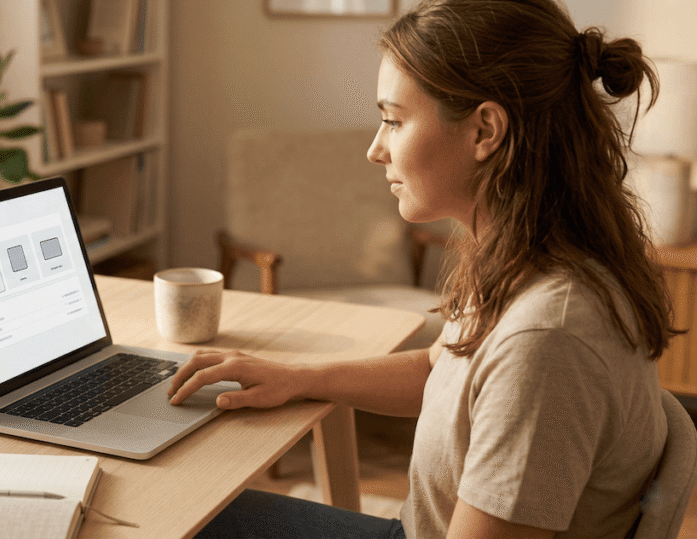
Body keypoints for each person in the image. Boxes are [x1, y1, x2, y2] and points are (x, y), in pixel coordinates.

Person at [167, 0, 680, 537]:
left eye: (393, 120)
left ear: (485, 130)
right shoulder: (524, 257)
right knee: (191, 513)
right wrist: (298, 379)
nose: (375, 149)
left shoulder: (547, 338)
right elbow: (442, 371)